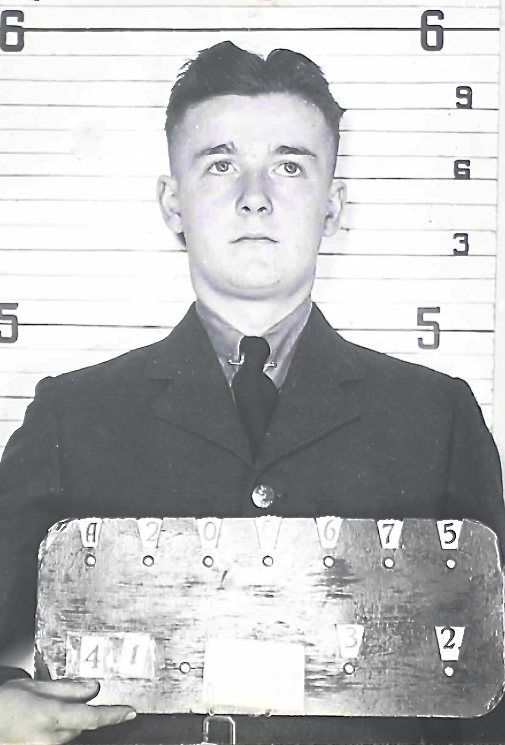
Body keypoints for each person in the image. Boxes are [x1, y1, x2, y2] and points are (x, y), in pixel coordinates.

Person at [0, 41, 503, 745]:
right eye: (220, 163)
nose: (255, 196)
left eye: (290, 165)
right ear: (172, 203)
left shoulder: (436, 417)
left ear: (332, 205)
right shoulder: (72, 416)